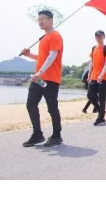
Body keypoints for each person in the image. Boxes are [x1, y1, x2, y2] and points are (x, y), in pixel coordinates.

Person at [20, 10, 64, 147]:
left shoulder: (55, 36)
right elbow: (42, 58)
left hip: (49, 79)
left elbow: (52, 56)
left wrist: (40, 71)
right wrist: (29, 55)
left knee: (52, 107)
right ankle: (37, 134)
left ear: (51, 20)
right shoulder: (43, 38)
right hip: (39, 78)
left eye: (43, 19)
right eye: (38, 19)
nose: (40, 21)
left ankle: (57, 135)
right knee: (31, 104)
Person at [87, 30, 106, 126]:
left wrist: (101, 75)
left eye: (100, 36)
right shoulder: (94, 48)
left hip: (103, 76)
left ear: (104, 37)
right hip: (94, 75)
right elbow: (91, 62)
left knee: (102, 97)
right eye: (96, 36)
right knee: (90, 95)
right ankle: (101, 111)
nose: (98, 38)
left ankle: (101, 117)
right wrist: (89, 73)